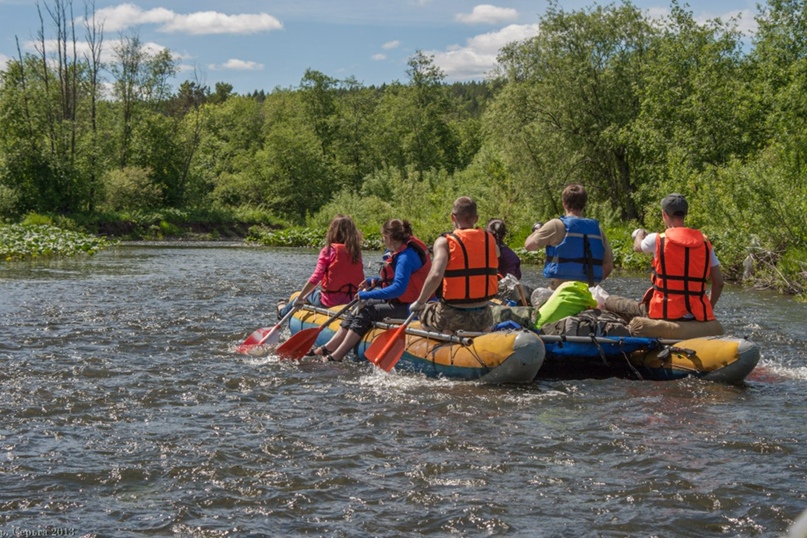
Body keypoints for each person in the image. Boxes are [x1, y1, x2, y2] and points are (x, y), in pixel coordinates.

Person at [311, 218, 431, 362]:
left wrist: (367, 295)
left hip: (412, 307)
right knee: (359, 305)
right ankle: (329, 347)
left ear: (389, 238)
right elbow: (401, 279)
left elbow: (398, 289)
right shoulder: (404, 250)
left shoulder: (406, 257)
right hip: (402, 301)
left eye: (383, 238)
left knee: (368, 308)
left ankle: (337, 355)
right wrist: (374, 281)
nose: (383, 240)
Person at [605, 193, 724, 322]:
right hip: (697, 314)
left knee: (611, 302)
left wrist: (640, 233)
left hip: (664, 312)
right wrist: (708, 309)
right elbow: (719, 283)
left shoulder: (657, 239)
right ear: (685, 214)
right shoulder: (705, 243)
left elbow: (637, 247)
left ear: (664, 215)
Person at [410, 196, 499, 333]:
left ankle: (444, 335)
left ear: (452, 217)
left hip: (452, 315)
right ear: (476, 218)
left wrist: (420, 302)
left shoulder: (444, 242)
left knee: (426, 311)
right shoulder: (490, 239)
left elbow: (435, 275)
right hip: (484, 315)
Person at [524, 183, 613, 288]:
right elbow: (608, 265)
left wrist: (537, 231)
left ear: (564, 204)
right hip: (589, 291)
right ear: (585, 204)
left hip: (560, 288)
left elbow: (529, 246)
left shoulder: (556, 225)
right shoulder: (597, 230)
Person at [279, 215, 365, 318]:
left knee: (305, 294)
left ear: (332, 231)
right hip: (351, 300)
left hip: (329, 301)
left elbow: (316, 278)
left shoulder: (329, 250)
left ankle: (282, 312)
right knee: (313, 294)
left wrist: (300, 297)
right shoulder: (356, 252)